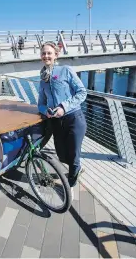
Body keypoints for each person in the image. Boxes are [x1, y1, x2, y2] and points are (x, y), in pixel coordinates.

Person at [38, 41, 87, 188]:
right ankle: (75, 169)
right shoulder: (42, 79)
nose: (46, 56)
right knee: (62, 154)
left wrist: (63, 107)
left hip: (73, 118)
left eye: (49, 53)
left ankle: (71, 183)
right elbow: (40, 103)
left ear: (56, 55)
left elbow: (82, 92)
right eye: (43, 53)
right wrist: (45, 110)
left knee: (73, 154)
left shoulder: (66, 70)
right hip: (56, 122)